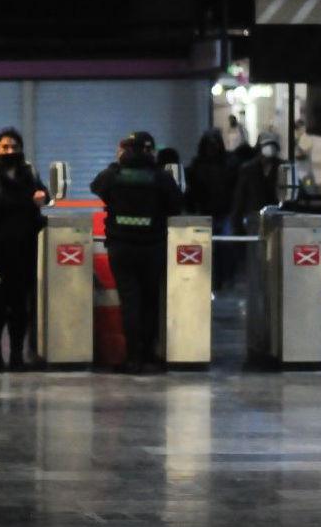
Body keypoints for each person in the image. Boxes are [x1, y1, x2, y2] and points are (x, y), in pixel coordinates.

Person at [91, 132, 184, 374]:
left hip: (122, 249)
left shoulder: (114, 174)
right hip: (152, 248)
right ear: (149, 151)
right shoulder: (160, 177)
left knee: (130, 303)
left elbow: (96, 187)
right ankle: (149, 355)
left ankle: (132, 358)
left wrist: (117, 162)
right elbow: (176, 205)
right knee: (150, 302)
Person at [0, 128, 47, 370]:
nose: (10, 151)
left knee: (21, 305)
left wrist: (43, 197)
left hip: (25, 250)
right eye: (5, 147)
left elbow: (45, 195)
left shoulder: (29, 171)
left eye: (15, 147)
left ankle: (17, 355)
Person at [186, 129, 237, 288]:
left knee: (219, 249)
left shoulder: (198, 165)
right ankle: (219, 280)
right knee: (216, 249)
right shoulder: (227, 163)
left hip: (214, 212)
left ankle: (218, 280)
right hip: (211, 212)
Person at [230, 130, 284, 233]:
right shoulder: (248, 169)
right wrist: (237, 224)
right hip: (254, 221)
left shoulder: (283, 167)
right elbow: (240, 197)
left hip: (278, 221)